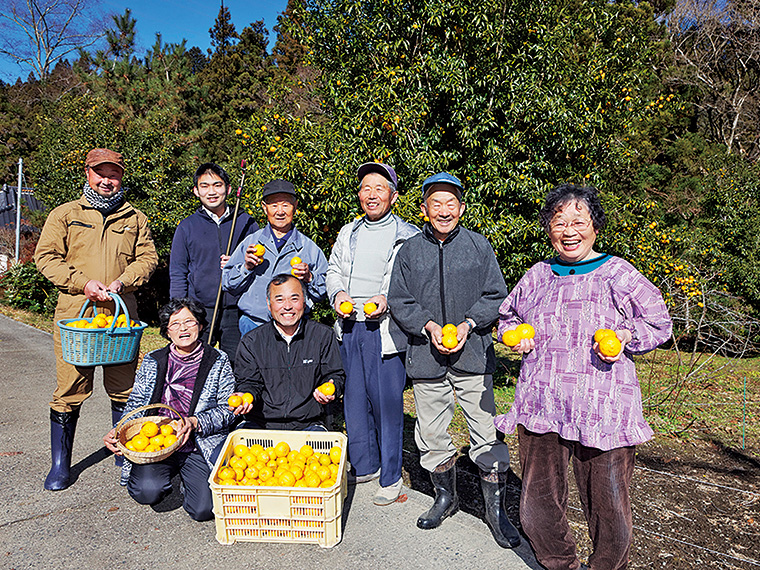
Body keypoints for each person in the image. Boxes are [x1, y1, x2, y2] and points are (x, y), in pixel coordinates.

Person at [496, 183, 673, 570]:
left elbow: (660, 322)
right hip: (542, 404)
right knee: (537, 502)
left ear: (595, 227)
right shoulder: (539, 274)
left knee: (608, 505)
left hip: (602, 409)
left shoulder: (619, 273)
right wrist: (512, 336)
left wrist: (626, 336)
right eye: (559, 222)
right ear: (548, 229)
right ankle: (560, 562)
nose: (569, 230)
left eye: (579, 220)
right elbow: (508, 317)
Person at [388, 172, 520, 548]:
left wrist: (468, 323)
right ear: (424, 208)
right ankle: (446, 498)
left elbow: (497, 294)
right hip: (427, 358)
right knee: (431, 435)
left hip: (473, 356)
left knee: (485, 434)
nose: (443, 211)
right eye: (436, 203)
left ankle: (496, 513)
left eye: (451, 203)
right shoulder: (410, 251)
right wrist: (428, 326)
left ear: (462, 208)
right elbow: (399, 300)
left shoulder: (479, 247)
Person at [34, 148, 158, 491]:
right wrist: (82, 283)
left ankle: (124, 453)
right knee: (69, 389)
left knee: (125, 389)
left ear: (121, 178)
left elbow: (148, 258)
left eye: (114, 174)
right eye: (100, 173)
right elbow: (45, 257)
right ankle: (61, 465)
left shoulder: (135, 218)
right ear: (87, 174)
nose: (107, 180)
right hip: (77, 317)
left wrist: (123, 281)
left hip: (120, 317)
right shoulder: (66, 214)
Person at [325, 162, 419, 506]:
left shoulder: (407, 235)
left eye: (380, 188)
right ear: (360, 195)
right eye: (366, 188)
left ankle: (391, 476)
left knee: (387, 404)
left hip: (385, 330)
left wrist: (387, 300)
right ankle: (365, 465)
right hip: (349, 325)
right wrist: (338, 296)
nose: (372, 194)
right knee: (354, 400)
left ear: (393, 196)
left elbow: (409, 283)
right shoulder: (348, 232)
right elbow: (333, 270)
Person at [103, 298, 236, 522]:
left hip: (197, 444)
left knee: (204, 509)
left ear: (201, 326)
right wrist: (118, 430)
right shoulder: (154, 360)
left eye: (189, 322)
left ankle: (189, 479)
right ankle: (166, 474)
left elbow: (228, 410)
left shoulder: (218, 360)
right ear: (166, 331)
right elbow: (137, 401)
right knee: (146, 492)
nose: (183, 328)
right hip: (156, 442)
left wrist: (195, 422)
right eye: (175, 324)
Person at [169, 162, 258, 366]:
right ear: (196, 191)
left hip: (237, 308)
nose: (212, 191)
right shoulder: (187, 226)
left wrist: (237, 264)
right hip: (199, 309)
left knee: (238, 363)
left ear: (228, 189)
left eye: (217, 185)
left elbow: (259, 265)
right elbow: (178, 272)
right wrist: (180, 310)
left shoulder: (246, 222)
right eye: (205, 186)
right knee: (198, 364)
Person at [231, 274, 345, 431]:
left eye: (294, 298)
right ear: (269, 303)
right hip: (261, 425)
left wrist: (332, 386)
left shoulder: (322, 336)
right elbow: (249, 382)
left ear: (304, 302)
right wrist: (245, 396)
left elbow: (335, 375)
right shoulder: (252, 341)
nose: (287, 306)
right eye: (279, 299)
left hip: (309, 425)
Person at [222, 179, 328, 335]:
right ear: (265, 208)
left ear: (295, 206)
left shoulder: (309, 248)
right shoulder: (251, 243)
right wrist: (246, 267)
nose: (280, 211)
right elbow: (228, 284)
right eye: (274, 205)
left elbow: (324, 291)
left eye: (286, 205)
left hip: (293, 327)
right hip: (253, 324)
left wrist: (309, 277)